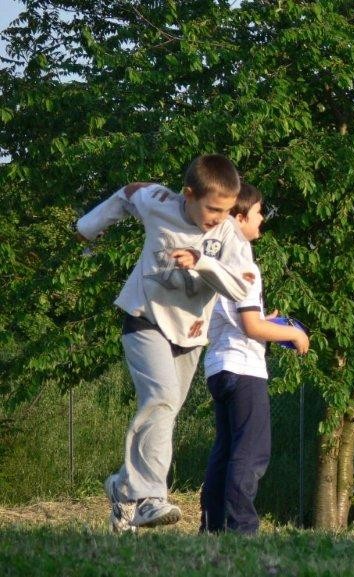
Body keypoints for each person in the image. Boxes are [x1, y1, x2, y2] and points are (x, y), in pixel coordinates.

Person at [76, 154, 253, 532]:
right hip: (144, 318)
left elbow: (242, 286)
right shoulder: (159, 203)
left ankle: (124, 489)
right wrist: (89, 226)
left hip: (189, 336)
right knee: (161, 398)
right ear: (188, 194)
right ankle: (151, 498)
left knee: (165, 411)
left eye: (226, 211)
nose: (218, 217)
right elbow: (128, 193)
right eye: (212, 208)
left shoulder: (229, 236)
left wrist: (203, 262)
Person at [199, 183, 310, 535]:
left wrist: (266, 317)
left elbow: (242, 315)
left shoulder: (213, 258)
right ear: (239, 216)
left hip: (217, 366)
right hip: (244, 368)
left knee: (225, 449)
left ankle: (212, 525)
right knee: (252, 452)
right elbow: (250, 326)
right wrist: (293, 333)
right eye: (259, 211)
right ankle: (242, 527)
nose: (263, 218)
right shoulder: (243, 261)